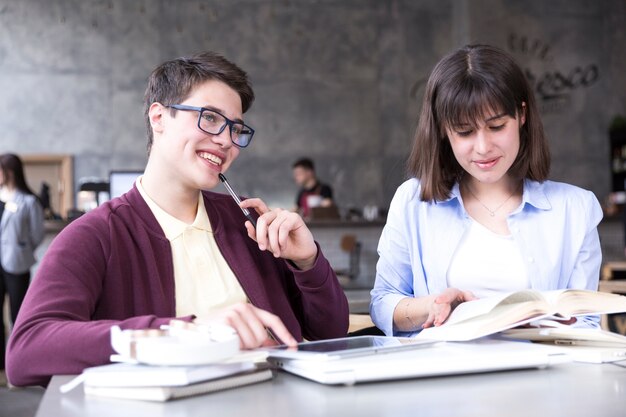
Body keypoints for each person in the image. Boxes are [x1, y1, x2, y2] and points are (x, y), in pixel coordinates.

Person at [7, 52, 349, 387]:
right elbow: (26, 352)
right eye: (210, 118)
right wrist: (184, 330)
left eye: (236, 129)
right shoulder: (97, 234)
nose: (226, 141)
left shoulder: (249, 222)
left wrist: (308, 263)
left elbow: (329, 332)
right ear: (158, 117)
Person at [370, 44, 602, 337]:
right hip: (440, 375)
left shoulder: (576, 209)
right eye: (464, 131)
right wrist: (431, 307)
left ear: (521, 115)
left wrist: (549, 325)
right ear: (443, 129)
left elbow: (586, 324)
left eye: (496, 126)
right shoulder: (413, 202)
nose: (483, 148)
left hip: (539, 375)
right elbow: (382, 303)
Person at [0, 153, 45, 383]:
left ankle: (16, 367)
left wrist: (21, 247)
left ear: (9, 171)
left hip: (16, 263)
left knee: (17, 314)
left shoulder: (28, 201)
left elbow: (37, 234)